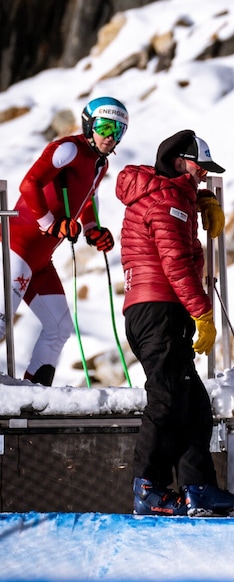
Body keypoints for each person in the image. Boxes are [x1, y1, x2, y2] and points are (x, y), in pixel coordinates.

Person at [117, 129, 234, 517]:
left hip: (155, 310)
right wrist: (202, 311)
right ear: (179, 162)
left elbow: (171, 213)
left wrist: (199, 198)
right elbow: (175, 262)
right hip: (160, 310)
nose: (202, 174)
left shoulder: (166, 195)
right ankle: (148, 488)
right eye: (199, 168)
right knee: (167, 398)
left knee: (193, 403)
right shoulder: (169, 199)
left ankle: (197, 489)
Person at [0, 96, 127, 385]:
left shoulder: (100, 163)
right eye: (105, 127)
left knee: (59, 327)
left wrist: (93, 227)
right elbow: (29, 184)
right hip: (14, 248)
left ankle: (34, 394)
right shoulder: (69, 148)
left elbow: (87, 196)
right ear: (89, 124)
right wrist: (51, 225)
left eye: (118, 131)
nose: (110, 137)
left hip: (40, 261)